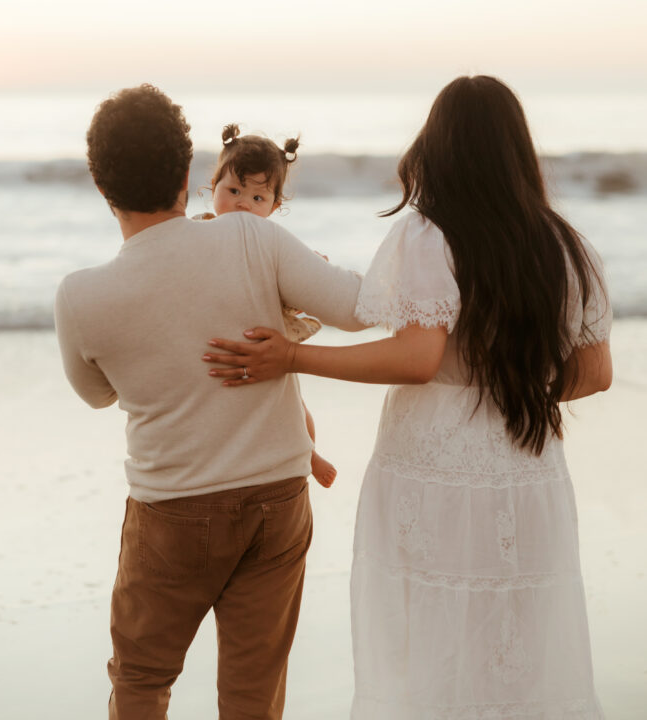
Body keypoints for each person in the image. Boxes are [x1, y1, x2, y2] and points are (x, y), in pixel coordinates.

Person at [204, 76, 613, 719]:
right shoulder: (566, 247)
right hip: (524, 468)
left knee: (425, 641)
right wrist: (509, 381)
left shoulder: (429, 237)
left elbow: (418, 360)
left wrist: (293, 355)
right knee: (518, 640)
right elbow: (593, 373)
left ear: (439, 145)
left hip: (432, 465)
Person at [53, 84, 364, 720]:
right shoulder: (256, 240)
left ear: (101, 186)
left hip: (172, 512)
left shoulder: (81, 297)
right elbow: (360, 309)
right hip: (277, 498)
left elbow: (96, 394)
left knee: (141, 680)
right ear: (191, 171)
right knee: (253, 694)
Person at [195, 122, 338, 487]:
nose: (242, 202)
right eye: (233, 190)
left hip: (260, 336)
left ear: (274, 207)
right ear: (213, 188)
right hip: (214, 333)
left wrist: (315, 267)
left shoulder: (272, 242)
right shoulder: (198, 231)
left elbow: (295, 272)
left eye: (257, 199)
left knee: (292, 404)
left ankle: (308, 452)